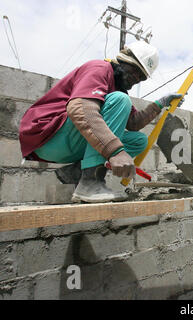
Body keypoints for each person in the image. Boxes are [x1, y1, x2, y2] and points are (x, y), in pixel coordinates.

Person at [19, 41, 183, 203]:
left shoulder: (117, 87)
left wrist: (160, 103)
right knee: (121, 100)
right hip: (48, 135)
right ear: (124, 60)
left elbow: (133, 123)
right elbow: (80, 110)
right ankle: (91, 182)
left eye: (141, 78)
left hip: (69, 141)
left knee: (139, 141)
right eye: (135, 72)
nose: (136, 80)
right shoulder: (99, 68)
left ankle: (76, 173)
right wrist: (115, 151)